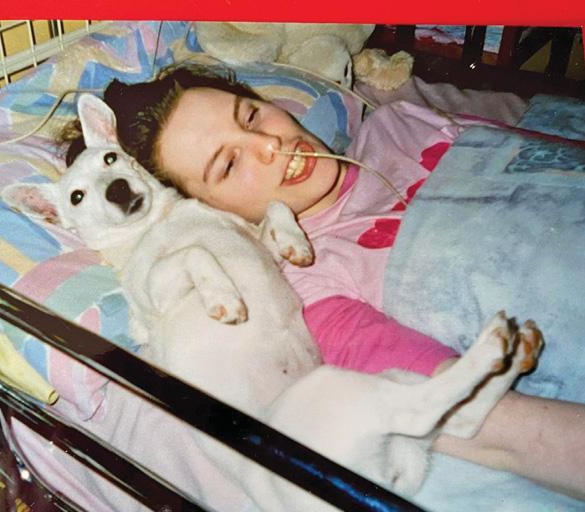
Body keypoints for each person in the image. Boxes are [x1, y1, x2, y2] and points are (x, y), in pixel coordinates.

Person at [61, 62, 585, 500]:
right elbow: (497, 427)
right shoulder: (309, 283)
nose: (269, 143)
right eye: (228, 165)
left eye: (251, 116)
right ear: (202, 208)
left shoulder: (396, 121)